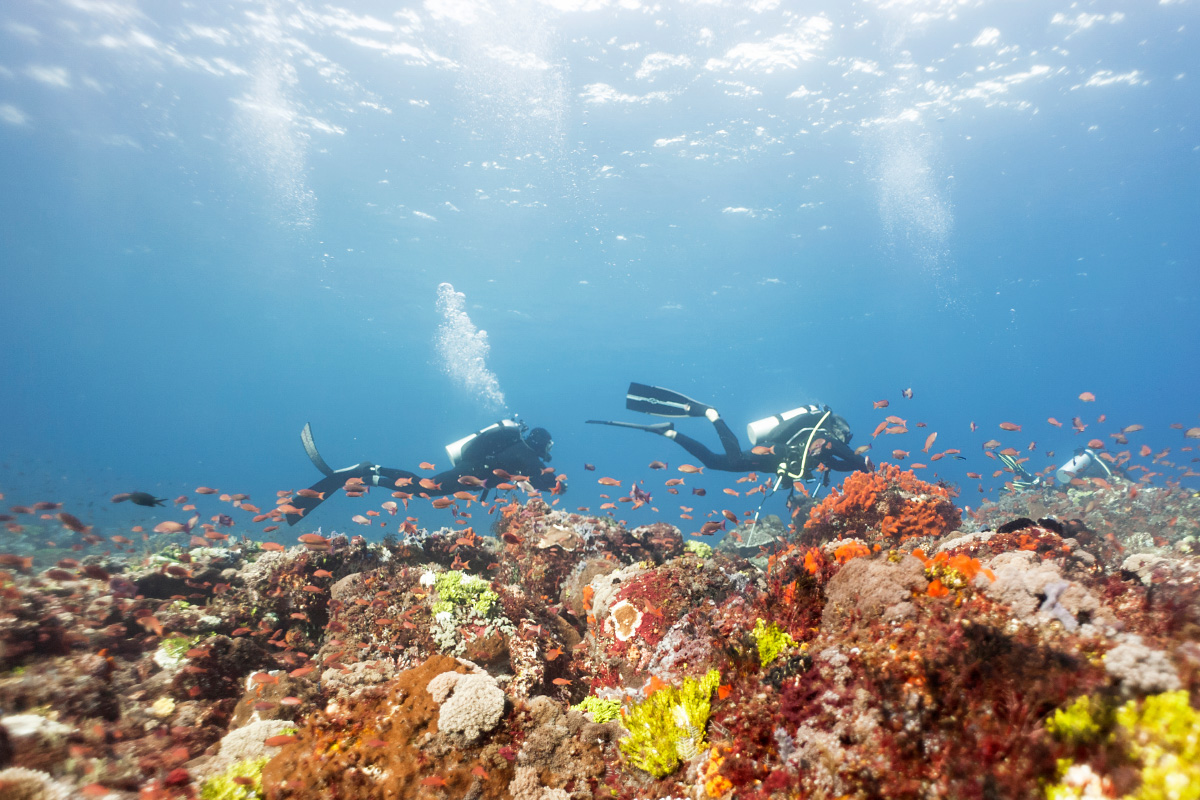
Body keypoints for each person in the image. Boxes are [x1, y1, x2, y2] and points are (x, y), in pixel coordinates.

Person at [587, 382, 871, 503]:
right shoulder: (825, 437)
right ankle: (713, 415)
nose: (843, 440)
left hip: (770, 462)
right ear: (837, 430)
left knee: (711, 462)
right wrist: (865, 464)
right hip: (770, 456)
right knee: (733, 459)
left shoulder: (822, 449)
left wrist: (858, 467)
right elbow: (847, 455)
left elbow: (842, 463)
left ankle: (670, 432)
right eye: (844, 435)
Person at [286, 419, 560, 525]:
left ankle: (374, 470)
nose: (547, 449)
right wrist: (560, 486)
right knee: (423, 487)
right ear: (539, 441)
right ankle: (368, 474)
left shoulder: (518, 447)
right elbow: (540, 480)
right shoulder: (525, 451)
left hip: (471, 471)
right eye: (547, 445)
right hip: (472, 472)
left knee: (423, 485)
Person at [1001, 447, 1117, 491]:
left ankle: (1037, 482)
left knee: (1061, 491)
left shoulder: (1091, 463)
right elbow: (1111, 476)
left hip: (1072, 483)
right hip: (1077, 484)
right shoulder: (1101, 463)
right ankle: (1036, 482)